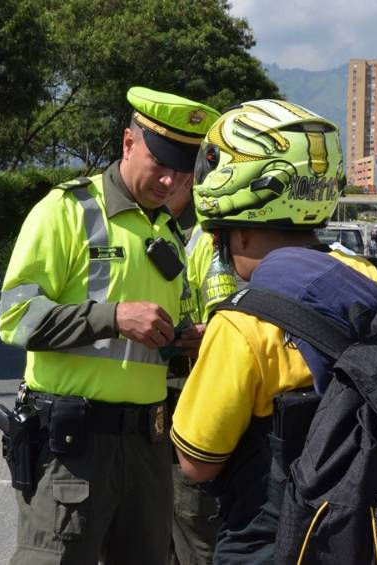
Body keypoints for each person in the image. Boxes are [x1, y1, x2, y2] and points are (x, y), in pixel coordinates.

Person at [170, 100, 377, 564]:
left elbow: (197, 463)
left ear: (241, 233)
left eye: (220, 237)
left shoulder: (243, 323)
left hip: (284, 544)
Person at [0, 86, 218, 565]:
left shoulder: (168, 232)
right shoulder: (66, 211)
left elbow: (151, 344)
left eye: (182, 170)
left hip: (147, 447)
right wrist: (113, 316)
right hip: (73, 448)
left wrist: (183, 341)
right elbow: (16, 318)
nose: (170, 181)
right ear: (128, 143)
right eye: (160, 163)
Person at [164, 156, 238, 565]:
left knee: (194, 524)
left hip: (189, 399)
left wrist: (210, 332)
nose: (164, 181)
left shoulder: (205, 237)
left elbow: (225, 316)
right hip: (138, 406)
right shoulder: (137, 226)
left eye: (175, 172)